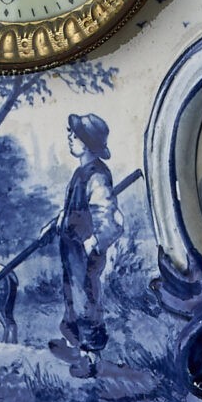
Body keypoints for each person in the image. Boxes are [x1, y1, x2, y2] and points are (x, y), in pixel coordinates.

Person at [51, 113, 122, 377]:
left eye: (75, 134)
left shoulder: (97, 176)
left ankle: (91, 359)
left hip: (85, 250)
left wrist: (94, 243)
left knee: (86, 301)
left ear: (88, 142)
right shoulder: (80, 174)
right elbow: (74, 209)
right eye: (70, 132)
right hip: (71, 249)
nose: (70, 137)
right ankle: (74, 346)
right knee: (72, 296)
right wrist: (58, 222)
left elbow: (109, 217)